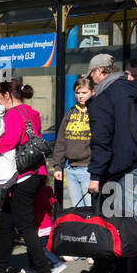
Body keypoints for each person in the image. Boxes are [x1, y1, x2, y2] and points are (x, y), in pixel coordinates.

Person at [83, 53, 137, 273]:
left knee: (133, 220)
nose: (91, 80)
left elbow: (101, 141)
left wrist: (95, 175)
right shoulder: (135, 87)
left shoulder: (104, 97)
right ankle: (102, 271)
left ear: (99, 72)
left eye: (92, 74)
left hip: (127, 168)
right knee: (109, 215)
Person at [0, 80, 54, 273]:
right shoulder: (32, 112)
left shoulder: (13, 114)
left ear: (8, 96)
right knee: (5, 221)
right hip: (34, 172)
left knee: (24, 226)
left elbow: (8, 142)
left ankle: (43, 271)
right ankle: (0, 267)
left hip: (24, 175)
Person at [52, 75, 94, 208]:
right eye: (77, 92)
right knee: (77, 209)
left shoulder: (95, 113)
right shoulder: (70, 113)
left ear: (93, 92)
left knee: (90, 209)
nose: (80, 96)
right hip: (70, 169)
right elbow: (61, 141)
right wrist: (58, 166)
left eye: (84, 92)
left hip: (88, 169)